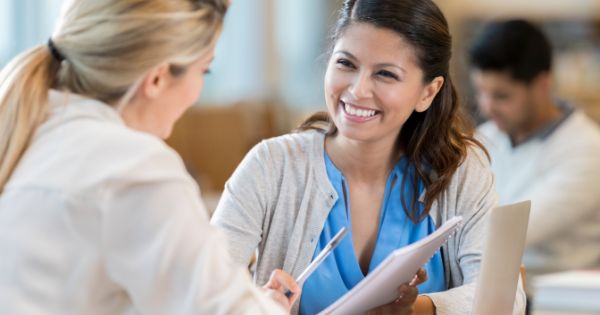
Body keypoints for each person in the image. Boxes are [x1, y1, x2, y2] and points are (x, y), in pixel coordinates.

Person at [211, 0, 526, 314]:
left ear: (427, 93)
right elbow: (199, 295)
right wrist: (257, 307)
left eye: (386, 74)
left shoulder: (459, 171)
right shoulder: (271, 166)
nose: (358, 90)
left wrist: (418, 309)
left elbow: (504, 299)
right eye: (346, 64)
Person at [0, 0, 300, 314]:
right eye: (204, 70)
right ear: (157, 78)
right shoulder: (133, 166)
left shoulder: (29, 128)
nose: (199, 88)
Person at [470, 19, 600, 281]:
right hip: (490, 285)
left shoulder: (587, 149)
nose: (486, 107)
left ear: (542, 85)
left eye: (501, 96)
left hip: (552, 298)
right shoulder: (487, 136)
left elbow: (510, 232)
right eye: (480, 92)